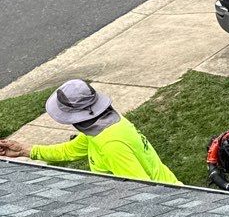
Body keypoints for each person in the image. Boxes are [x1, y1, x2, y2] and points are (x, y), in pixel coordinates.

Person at [0, 79, 179, 184]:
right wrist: (23, 150)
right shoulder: (99, 127)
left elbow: (142, 189)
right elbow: (69, 150)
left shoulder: (111, 145)